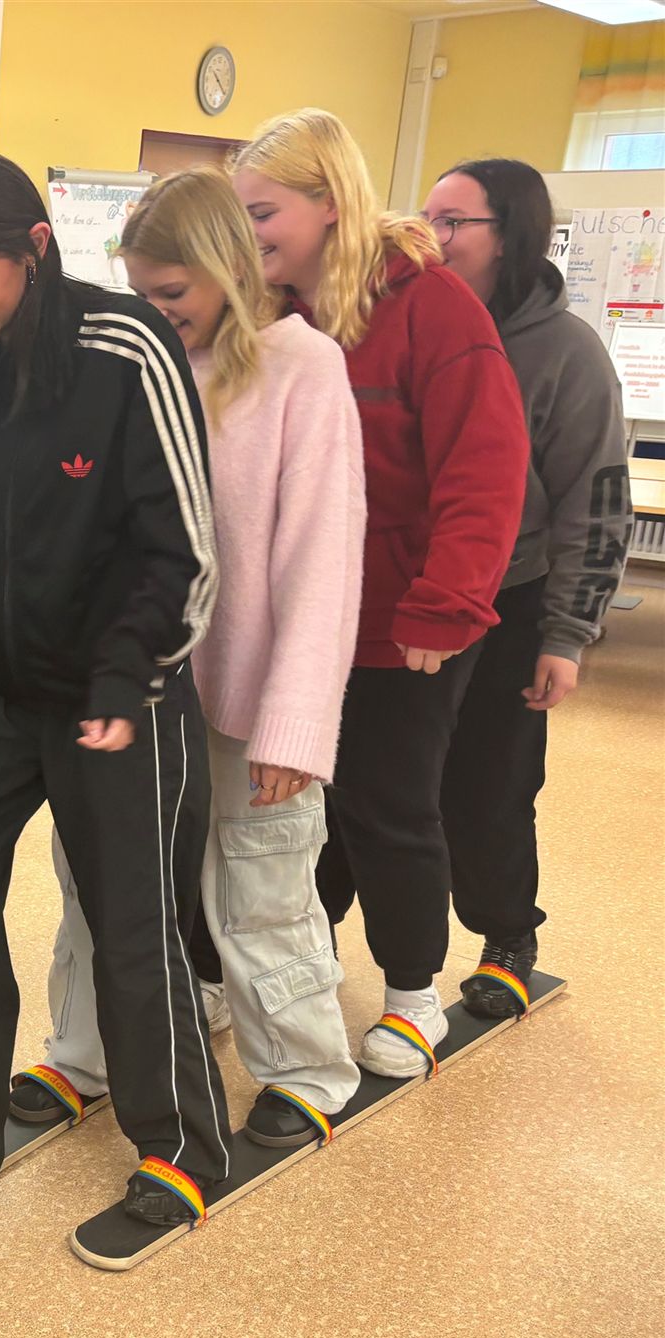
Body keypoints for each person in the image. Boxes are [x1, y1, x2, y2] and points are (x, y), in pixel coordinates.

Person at [0, 147, 225, 1228]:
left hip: (118, 691)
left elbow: (184, 548)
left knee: (132, 924)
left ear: (36, 248)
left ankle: (179, 1144)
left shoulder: (127, 347)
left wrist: (127, 675)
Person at [24, 168, 365, 1150]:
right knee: (99, 875)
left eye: (171, 293)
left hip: (250, 695)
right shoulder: (140, 362)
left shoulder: (304, 369)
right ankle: (84, 1052)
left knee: (261, 888)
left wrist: (298, 725)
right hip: (140, 681)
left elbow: (323, 562)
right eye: (139, 292)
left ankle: (305, 1068)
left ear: (228, 268)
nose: (155, 311)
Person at [232, 110, 528, 1077]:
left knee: (388, 807)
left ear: (328, 202)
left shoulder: (433, 307)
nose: (249, 232)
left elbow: (485, 470)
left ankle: (412, 995)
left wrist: (445, 606)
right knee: (291, 811)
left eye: (264, 212)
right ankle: (295, 969)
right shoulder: (270, 314)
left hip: (404, 622)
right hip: (301, 620)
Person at [422, 159, 631, 1015]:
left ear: (509, 235)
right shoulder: (412, 323)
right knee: (373, 778)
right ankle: (313, 934)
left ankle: (507, 935)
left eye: (452, 222)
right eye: (425, 218)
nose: (431, 238)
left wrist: (565, 636)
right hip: (409, 594)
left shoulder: (566, 351)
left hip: (508, 600)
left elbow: (596, 500)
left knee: (492, 784)